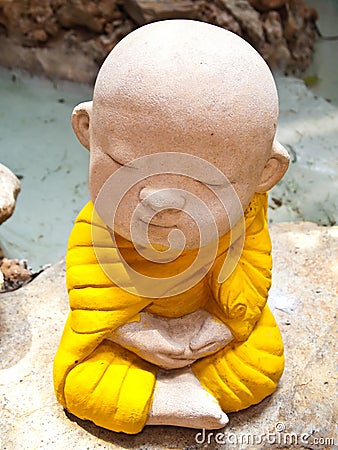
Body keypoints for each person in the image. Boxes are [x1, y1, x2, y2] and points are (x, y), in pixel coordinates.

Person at [54, 19, 289, 434]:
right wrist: (134, 333)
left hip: (207, 319)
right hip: (129, 330)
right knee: (78, 377)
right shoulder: (100, 224)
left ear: (265, 173)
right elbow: (90, 286)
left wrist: (220, 326)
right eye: (128, 165)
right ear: (87, 131)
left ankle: (176, 392)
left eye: (206, 183)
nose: (159, 201)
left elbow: (251, 269)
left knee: (262, 359)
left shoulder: (246, 218)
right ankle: (164, 402)